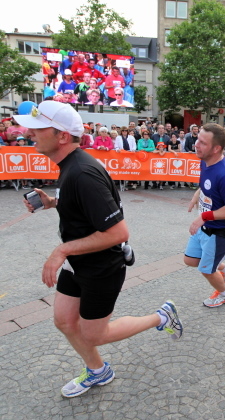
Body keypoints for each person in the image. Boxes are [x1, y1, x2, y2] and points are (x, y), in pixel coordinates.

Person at [15, 100, 182, 398]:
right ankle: (98, 371)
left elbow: (117, 233)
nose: (29, 133)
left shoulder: (82, 172)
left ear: (62, 136)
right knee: (64, 321)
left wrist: (61, 251)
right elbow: (83, 204)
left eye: (38, 128)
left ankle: (161, 316)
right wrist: (52, 202)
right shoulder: (71, 166)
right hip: (78, 261)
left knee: (94, 334)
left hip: (101, 266)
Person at [184, 123, 225, 307]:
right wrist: (196, 195)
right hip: (206, 226)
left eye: (203, 142)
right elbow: (206, 185)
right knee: (190, 260)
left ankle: (224, 295)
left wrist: (203, 217)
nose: (196, 144)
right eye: (198, 140)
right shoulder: (205, 160)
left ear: (216, 148)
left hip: (221, 231)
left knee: (207, 269)